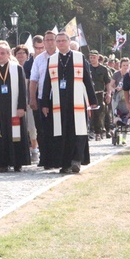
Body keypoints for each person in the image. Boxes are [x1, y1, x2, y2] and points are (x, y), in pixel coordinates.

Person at [40, 32, 97, 174]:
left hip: (76, 101)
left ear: (68, 41)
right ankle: (64, 163)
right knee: (62, 133)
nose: (60, 43)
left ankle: (76, 160)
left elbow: (87, 80)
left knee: (78, 131)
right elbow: (47, 82)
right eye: (57, 41)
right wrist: (45, 103)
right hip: (59, 103)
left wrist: (93, 99)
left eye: (63, 41)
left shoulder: (79, 57)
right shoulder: (52, 60)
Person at [0, 41, 30, 173]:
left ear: (9, 54)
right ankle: (2, 163)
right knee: (0, 136)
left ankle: (17, 163)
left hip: (14, 108)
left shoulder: (17, 68)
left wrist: (22, 107)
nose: (0, 56)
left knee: (16, 135)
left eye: (3, 53)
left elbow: (22, 89)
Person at [29, 31, 57, 168]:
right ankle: (45, 158)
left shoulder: (62, 57)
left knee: (57, 129)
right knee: (42, 130)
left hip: (59, 99)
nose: (49, 42)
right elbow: (33, 80)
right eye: (47, 40)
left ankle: (57, 157)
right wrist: (32, 98)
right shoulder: (39, 59)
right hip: (42, 99)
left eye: (52, 39)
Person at [88, 51, 111, 141]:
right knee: (89, 114)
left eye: (94, 57)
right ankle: (90, 131)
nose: (92, 59)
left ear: (98, 57)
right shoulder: (87, 68)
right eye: (90, 57)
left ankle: (98, 132)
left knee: (99, 113)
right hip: (89, 93)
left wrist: (108, 93)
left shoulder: (103, 69)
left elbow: (107, 82)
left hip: (99, 93)